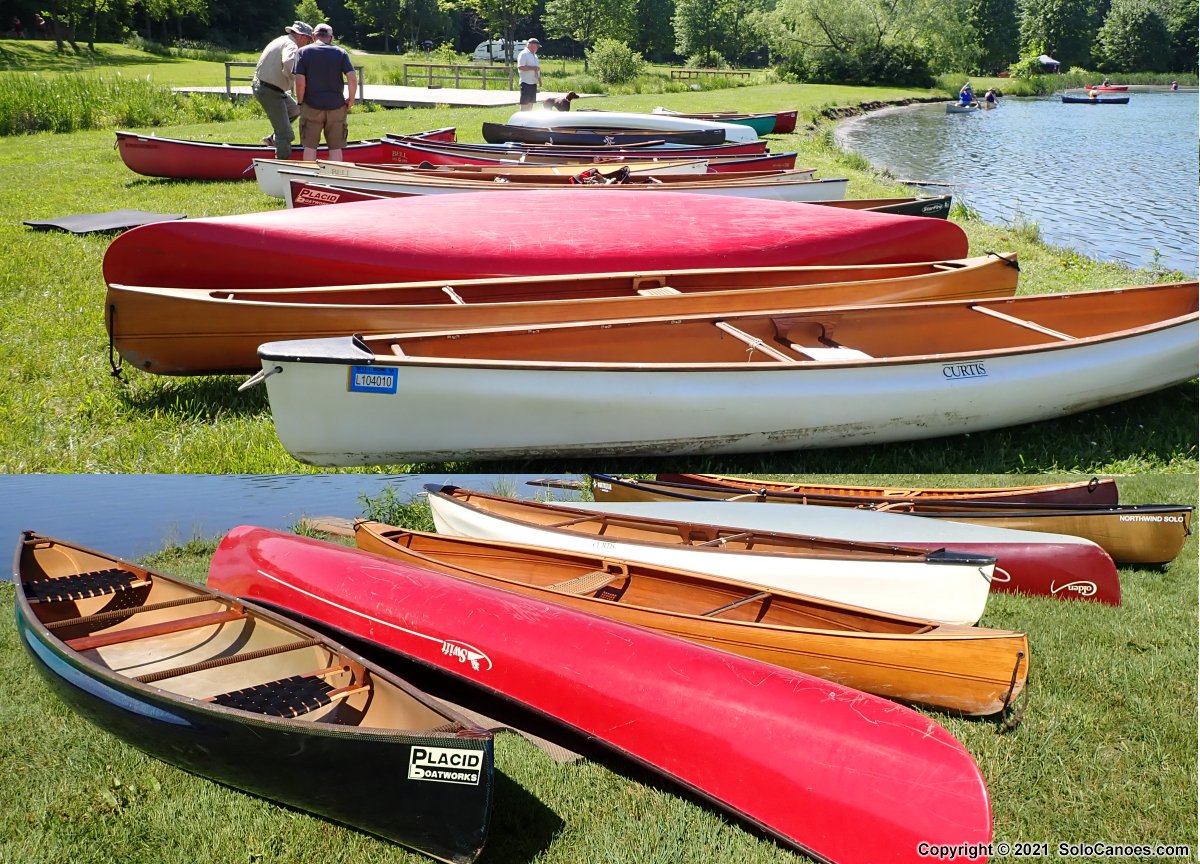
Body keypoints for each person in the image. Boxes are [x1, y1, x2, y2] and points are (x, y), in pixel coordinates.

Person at [295, 23, 357, 162]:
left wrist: (300, 101)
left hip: (311, 105)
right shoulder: (341, 53)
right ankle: (334, 180)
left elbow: (300, 81)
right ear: (331, 38)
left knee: (310, 147)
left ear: (313, 36)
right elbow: (352, 78)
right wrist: (351, 100)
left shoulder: (303, 52)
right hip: (336, 106)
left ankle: (309, 179)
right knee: (335, 148)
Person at [252, 21, 314, 160]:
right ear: (302, 36)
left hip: (268, 87)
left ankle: (273, 139)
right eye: (309, 40)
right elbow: (288, 63)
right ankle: (281, 168)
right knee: (286, 135)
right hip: (270, 90)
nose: (308, 43)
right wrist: (298, 79)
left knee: (295, 109)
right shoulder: (291, 45)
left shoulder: (282, 40)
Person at [517, 37, 542, 111]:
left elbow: (537, 69)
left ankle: (528, 119)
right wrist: (533, 68)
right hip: (526, 82)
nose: (537, 48)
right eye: (537, 46)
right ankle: (522, 119)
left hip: (533, 82)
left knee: (531, 102)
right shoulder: (524, 54)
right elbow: (521, 67)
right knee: (525, 102)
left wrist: (539, 80)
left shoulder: (535, 55)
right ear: (532, 45)